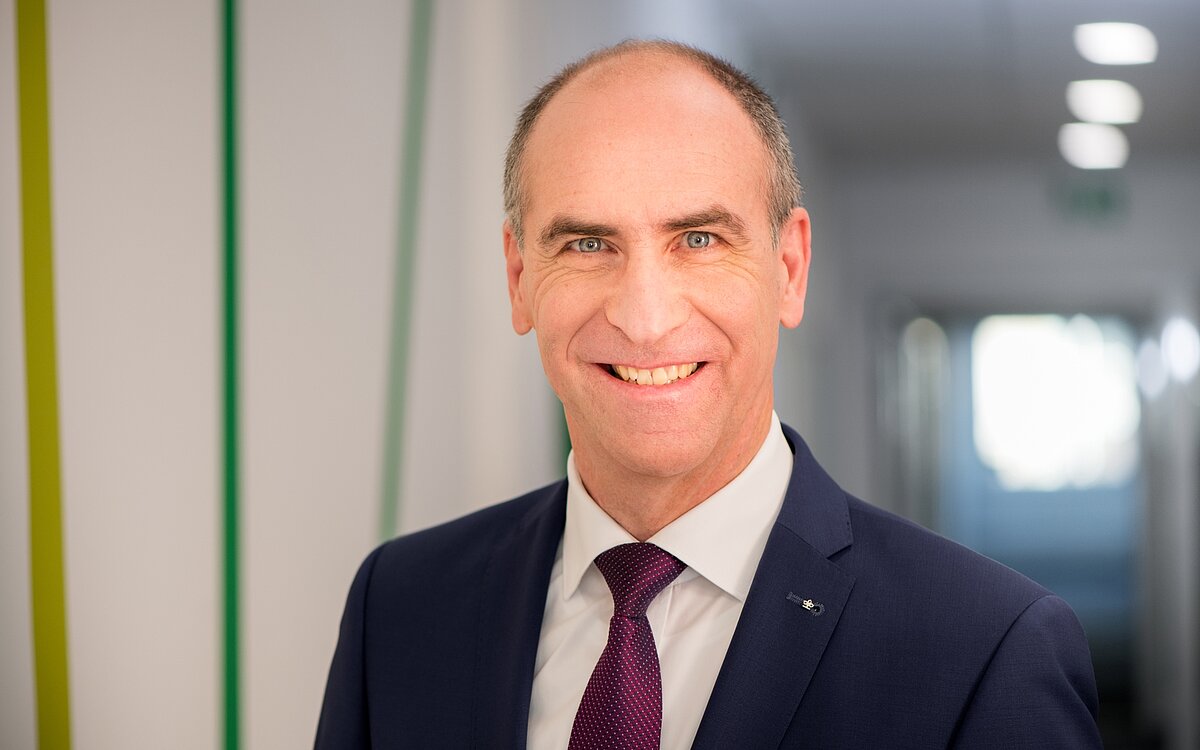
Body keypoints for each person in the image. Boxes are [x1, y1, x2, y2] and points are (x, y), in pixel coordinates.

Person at [315, 40, 1101, 749]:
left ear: (789, 270)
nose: (644, 319)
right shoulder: (402, 607)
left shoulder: (985, 649)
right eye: (587, 244)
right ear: (520, 279)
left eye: (698, 239)